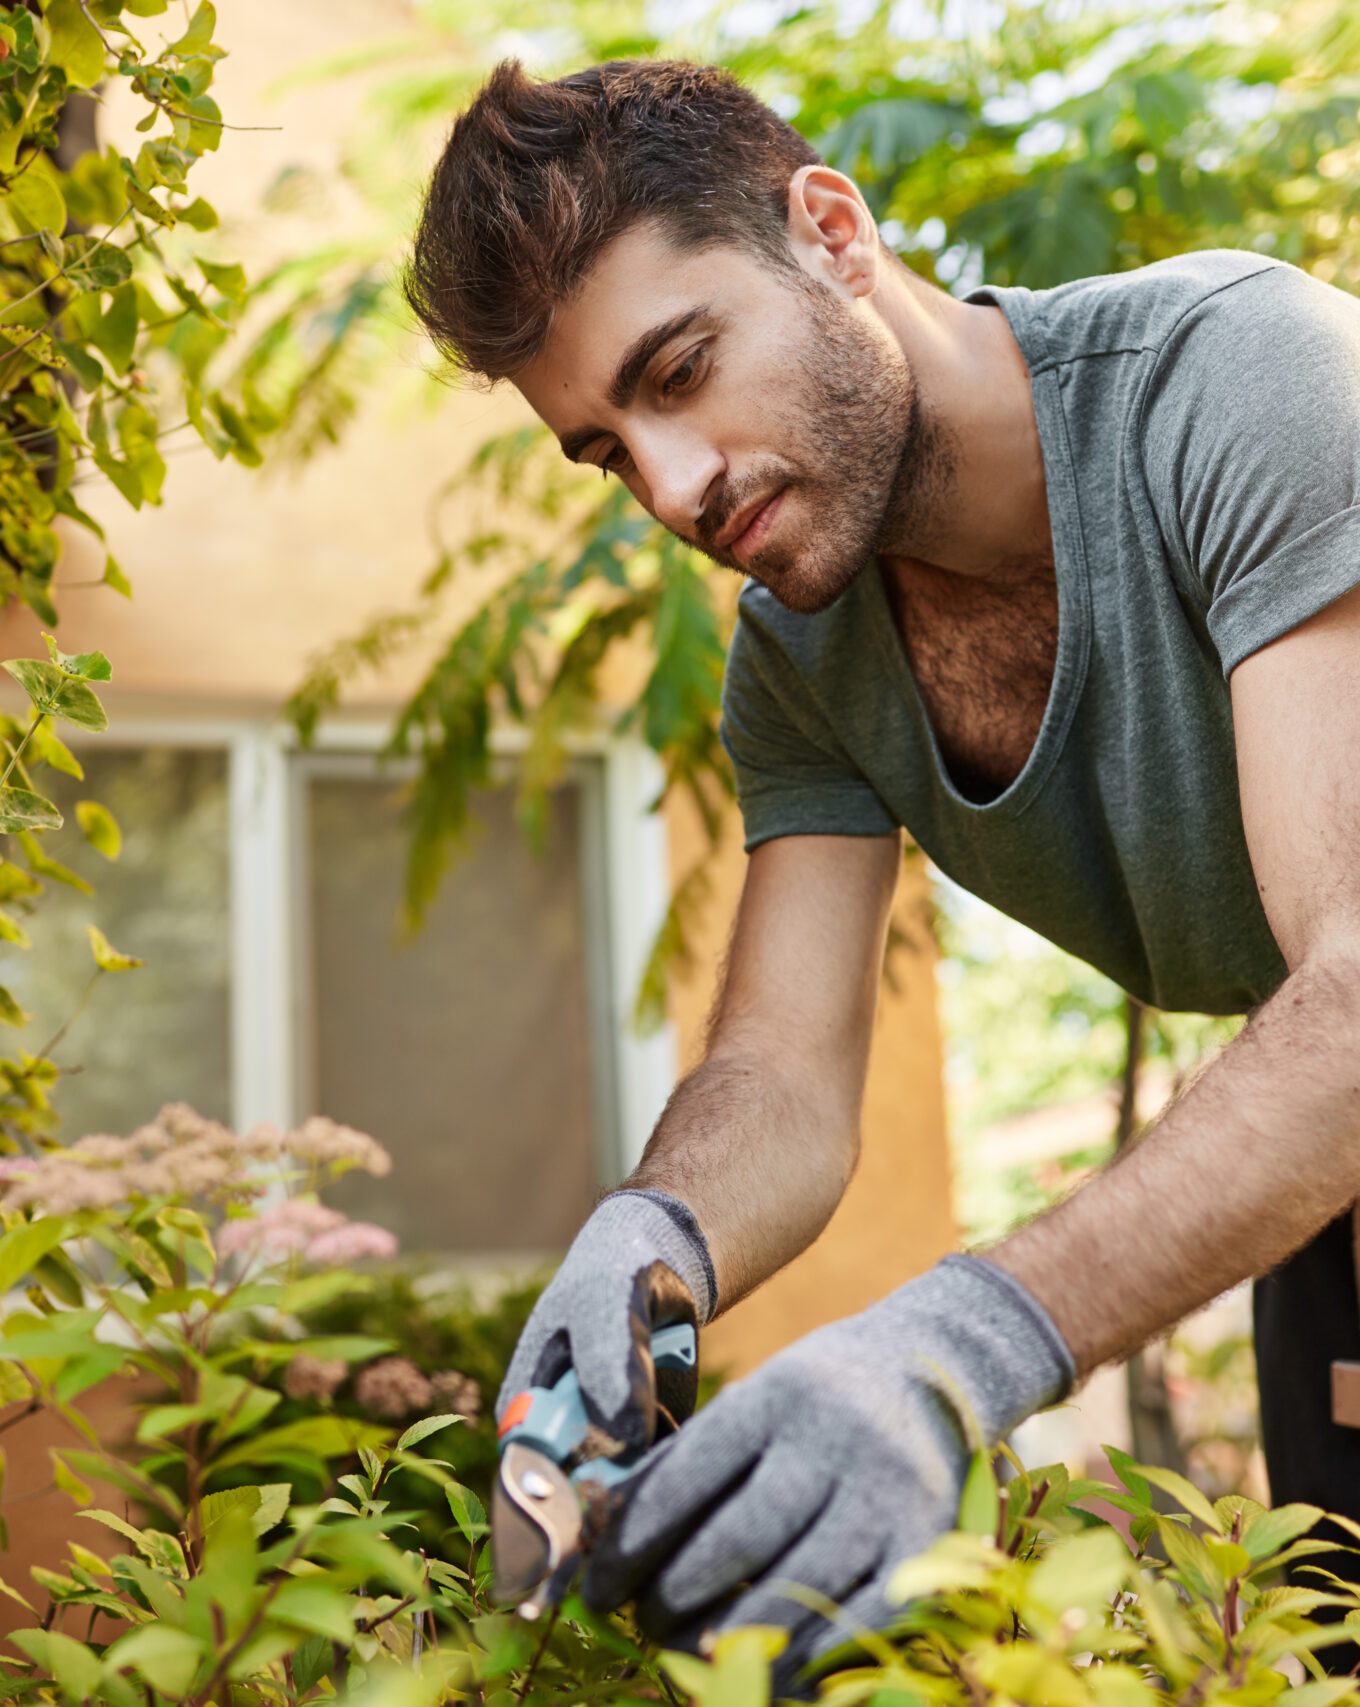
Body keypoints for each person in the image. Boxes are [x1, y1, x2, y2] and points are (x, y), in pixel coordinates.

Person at [405, 56, 1360, 1694]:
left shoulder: (1236, 379)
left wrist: (959, 1341)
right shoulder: (798, 667)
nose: (674, 488)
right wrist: (647, 1249)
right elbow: (783, 1072)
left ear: (834, 235)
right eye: (607, 451)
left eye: (682, 370)